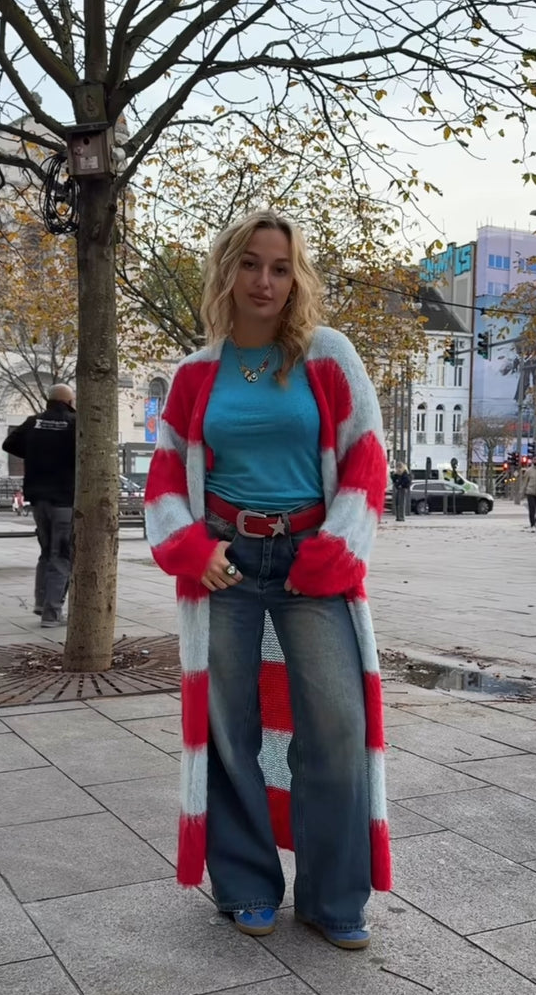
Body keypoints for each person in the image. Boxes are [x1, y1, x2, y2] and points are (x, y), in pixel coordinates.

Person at [145, 210, 391, 951]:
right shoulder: (194, 373)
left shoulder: (327, 355)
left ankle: (332, 895)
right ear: (227, 271)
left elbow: (366, 457)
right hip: (225, 564)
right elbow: (166, 474)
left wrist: (338, 549)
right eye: (250, 264)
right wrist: (189, 547)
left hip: (312, 562)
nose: (265, 281)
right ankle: (246, 883)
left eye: (280, 267)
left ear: (296, 276)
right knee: (230, 730)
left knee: (337, 729)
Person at [2, 384, 76, 626]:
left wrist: (35, 453)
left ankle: (40, 602)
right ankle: (52, 614)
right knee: (62, 555)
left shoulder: (33, 422)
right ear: (69, 401)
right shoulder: (74, 423)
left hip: (38, 498)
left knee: (46, 551)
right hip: (64, 498)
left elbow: (9, 444)